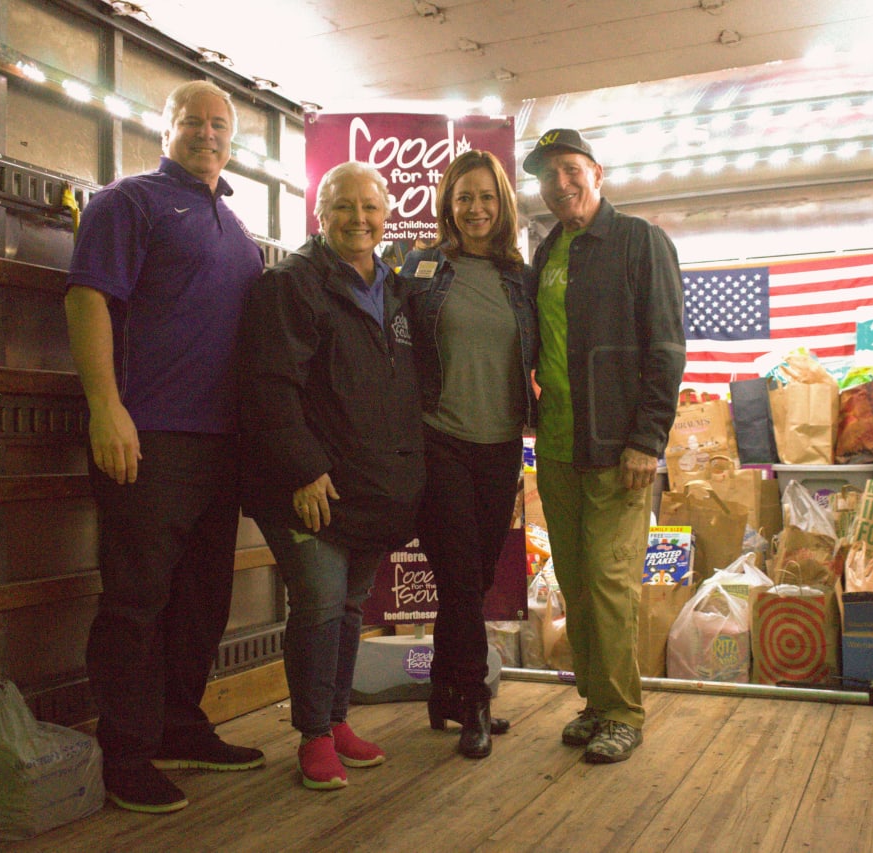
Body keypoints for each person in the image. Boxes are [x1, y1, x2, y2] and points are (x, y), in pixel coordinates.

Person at [65, 79, 265, 814]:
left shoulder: (234, 227)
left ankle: (181, 724)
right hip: (147, 436)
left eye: (220, 123)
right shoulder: (130, 201)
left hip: (221, 447)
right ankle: (125, 753)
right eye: (193, 121)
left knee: (201, 600)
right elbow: (88, 297)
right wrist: (105, 406)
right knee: (137, 600)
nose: (207, 133)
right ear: (166, 127)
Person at [238, 161, 424, 790]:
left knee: (347, 606)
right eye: (344, 207)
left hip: (369, 490)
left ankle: (338, 721)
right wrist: (305, 469)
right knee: (318, 603)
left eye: (370, 208)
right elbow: (269, 387)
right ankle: (314, 736)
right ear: (321, 216)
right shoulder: (291, 285)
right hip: (307, 487)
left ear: (386, 215)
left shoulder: (396, 290)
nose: (359, 219)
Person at [522, 128, 685, 763]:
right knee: (577, 580)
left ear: (596, 171)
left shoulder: (640, 242)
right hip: (558, 444)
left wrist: (648, 438)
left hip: (620, 447)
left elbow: (667, 346)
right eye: (546, 175)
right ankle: (594, 702)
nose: (558, 184)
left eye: (569, 169)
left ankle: (623, 711)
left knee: (612, 579)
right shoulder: (549, 251)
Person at [399, 150, 537, 759]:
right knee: (458, 572)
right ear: (447, 206)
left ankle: (442, 688)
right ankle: (475, 700)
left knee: (475, 576)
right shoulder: (423, 266)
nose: (475, 209)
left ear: (501, 204)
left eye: (485, 197)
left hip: (501, 441)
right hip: (439, 438)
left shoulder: (519, 277)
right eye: (463, 198)